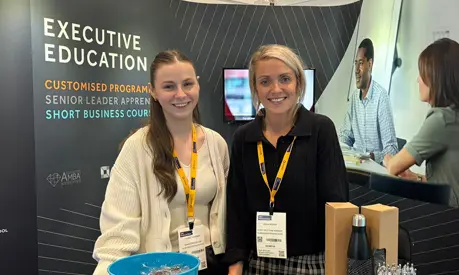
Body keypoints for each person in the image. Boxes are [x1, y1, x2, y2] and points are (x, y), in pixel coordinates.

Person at [92, 50, 229, 274]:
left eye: (187, 84)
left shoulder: (216, 144)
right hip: (161, 267)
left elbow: (224, 213)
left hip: (211, 263)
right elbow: (118, 229)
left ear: (198, 85)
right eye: (168, 86)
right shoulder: (137, 148)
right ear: (153, 91)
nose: (180, 94)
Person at [225, 44, 349, 275]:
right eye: (264, 81)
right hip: (258, 262)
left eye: (284, 79)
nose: (275, 89)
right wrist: (235, 267)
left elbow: (337, 204)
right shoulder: (244, 138)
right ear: (255, 88)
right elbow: (236, 209)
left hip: (311, 264)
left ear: (299, 83)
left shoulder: (321, 129)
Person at [383, 38, 459, 208]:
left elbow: (394, 166)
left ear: (435, 78)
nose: (418, 80)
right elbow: (450, 184)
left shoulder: (441, 120)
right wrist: (417, 178)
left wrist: (387, 160)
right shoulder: (453, 117)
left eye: (422, 74)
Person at [340, 38, 398, 164]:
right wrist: (337, 146)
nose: (356, 70)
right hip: (358, 168)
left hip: (376, 173)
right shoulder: (354, 99)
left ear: (370, 64)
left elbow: (392, 149)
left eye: (360, 63)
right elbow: (346, 136)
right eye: (355, 63)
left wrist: (370, 157)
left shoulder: (381, 98)